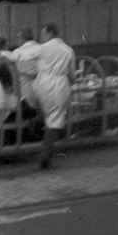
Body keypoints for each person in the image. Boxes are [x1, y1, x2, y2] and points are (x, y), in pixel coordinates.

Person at [32, 23, 76, 169]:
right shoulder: (68, 50)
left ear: (50, 33)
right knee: (54, 121)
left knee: (47, 118)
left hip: (40, 86)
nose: (42, 37)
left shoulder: (41, 49)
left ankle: (45, 154)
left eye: (43, 34)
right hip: (58, 86)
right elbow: (72, 75)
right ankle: (44, 158)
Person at [0, 28, 41, 108]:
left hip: (25, 90)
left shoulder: (17, 53)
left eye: (18, 38)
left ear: (22, 38)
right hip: (42, 88)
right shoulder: (42, 49)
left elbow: (8, 63)